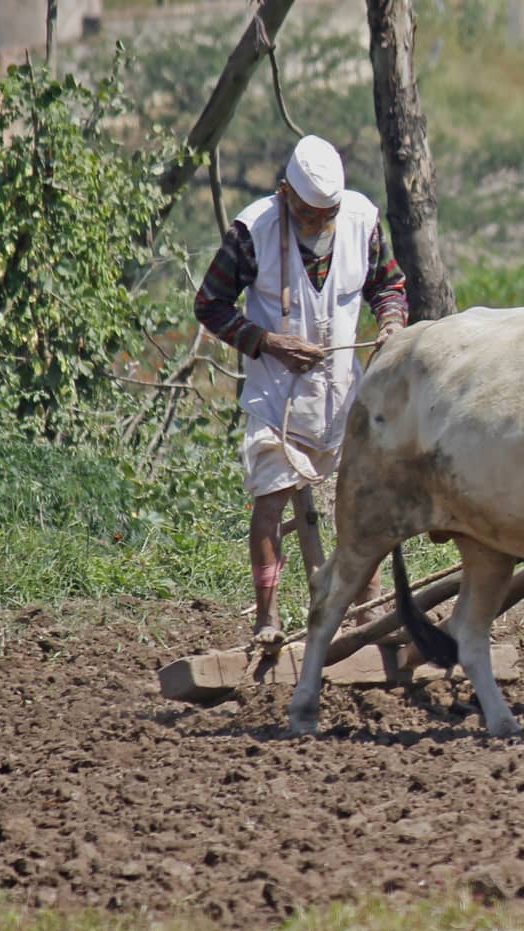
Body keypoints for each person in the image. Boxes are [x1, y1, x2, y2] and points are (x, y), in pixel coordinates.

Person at [195, 134, 410, 649]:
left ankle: (368, 615)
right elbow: (210, 305)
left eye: (327, 214)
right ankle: (266, 619)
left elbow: (389, 285)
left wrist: (391, 323)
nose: (320, 224)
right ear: (286, 194)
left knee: (361, 505)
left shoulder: (361, 220)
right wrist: (268, 342)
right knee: (269, 503)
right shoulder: (254, 231)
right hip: (277, 395)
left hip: (344, 393)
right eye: (310, 215)